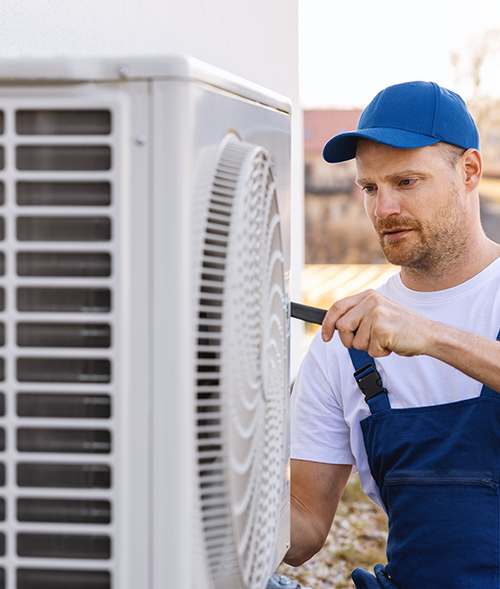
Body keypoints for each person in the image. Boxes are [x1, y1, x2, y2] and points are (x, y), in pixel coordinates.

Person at [284, 81, 500, 588]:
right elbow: (306, 527)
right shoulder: (344, 342)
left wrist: (429, 335)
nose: (383, 211)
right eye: (370, 187)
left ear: (469, 171)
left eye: (406, 182)